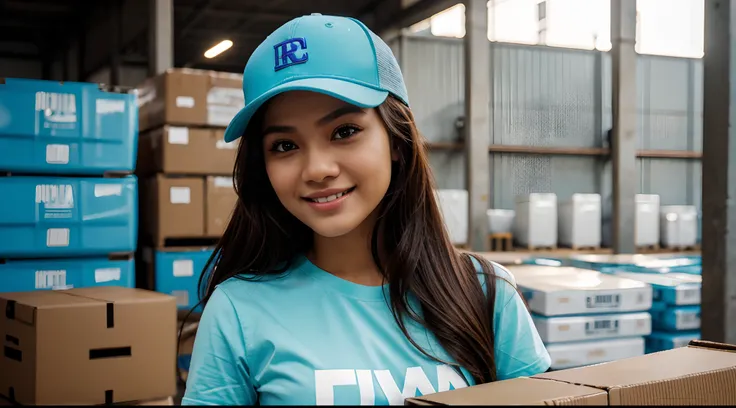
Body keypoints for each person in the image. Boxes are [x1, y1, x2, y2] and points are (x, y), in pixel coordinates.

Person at [181, 13, 550, 406]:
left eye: (344, 132)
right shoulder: (238, 311)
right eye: (285, 146)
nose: (318, 170)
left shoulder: (485, 292)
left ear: (396, 140)